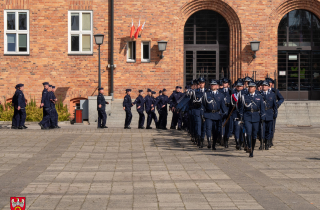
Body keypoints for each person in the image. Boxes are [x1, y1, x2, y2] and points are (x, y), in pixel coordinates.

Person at [240, 81, 266, 157]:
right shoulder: (244, 96)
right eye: (249, 87)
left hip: (256, 117)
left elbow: (262, 108)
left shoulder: (259, 96)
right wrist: (241, 116)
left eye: (252, 87)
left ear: (255, 88)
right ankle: (249, 145)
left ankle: (252, 150)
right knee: (248, 132)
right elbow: (241, 108)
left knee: (254, 135)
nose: (250, 88)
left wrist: (263, 116)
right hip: (247, 116)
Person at [203, 79, 228, 150]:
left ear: (217, 86)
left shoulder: (221, 95)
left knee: (216, 130)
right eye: (211, 85)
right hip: (208, 113)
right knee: (208, 128)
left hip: (217, 114)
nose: (212, 86)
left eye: (214, 85)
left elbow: (223, 106)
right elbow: (203, 105)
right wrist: (203, 114)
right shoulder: (206, 94)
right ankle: (209, 142)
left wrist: (225, 113)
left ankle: (214, 144)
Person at [266, 77, 284, 147]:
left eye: (269, 82)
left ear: (272, 84)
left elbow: (281, 98)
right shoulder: (263, 90)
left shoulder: (275, 91)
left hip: (272, 111)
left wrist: (277, 104)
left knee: (271, 126)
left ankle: (270, 140)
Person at [260, 80, 278, 150]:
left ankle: (267, 143)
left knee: (269, 129)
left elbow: (274, 105)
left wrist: (275, 113)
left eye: (265, 85)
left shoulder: (272, 94)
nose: (264, 87)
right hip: (262, 113)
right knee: (262, 129)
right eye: (263, 85)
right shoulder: (259, 94)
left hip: (270, 113)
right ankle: (262, 142)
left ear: (268, 86)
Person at [230, 80, 244, 150]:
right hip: (235, 113)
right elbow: (232, 103)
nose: (239, 87)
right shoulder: (233, 94)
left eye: (240, 86)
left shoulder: (245, 94)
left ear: (243, 87)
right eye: (238, 86)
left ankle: (241, 141)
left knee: (242, 129)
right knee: (236, 129)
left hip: (243, 114)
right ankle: (237, 142)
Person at [192, 77, 206, 147]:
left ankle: (202, 139)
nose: (201, 84)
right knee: (198, 126)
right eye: (200, 83)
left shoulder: (207, 91)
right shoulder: (196, 92)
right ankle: (199, 140)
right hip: (198, 111)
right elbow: (193, 101)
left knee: (204, 127)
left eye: (202, 83)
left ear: (204, 84)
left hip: (205, 112)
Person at [219, 78, 232, 148]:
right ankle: (222, 138)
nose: (224, 84)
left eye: (226, 83)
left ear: (228, 84)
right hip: (222, 109)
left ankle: (226, 139)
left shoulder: (231, 91)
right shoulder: (220, 91)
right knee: (222, 125)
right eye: (223, 83)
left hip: (229, 108)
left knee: (228, 125)